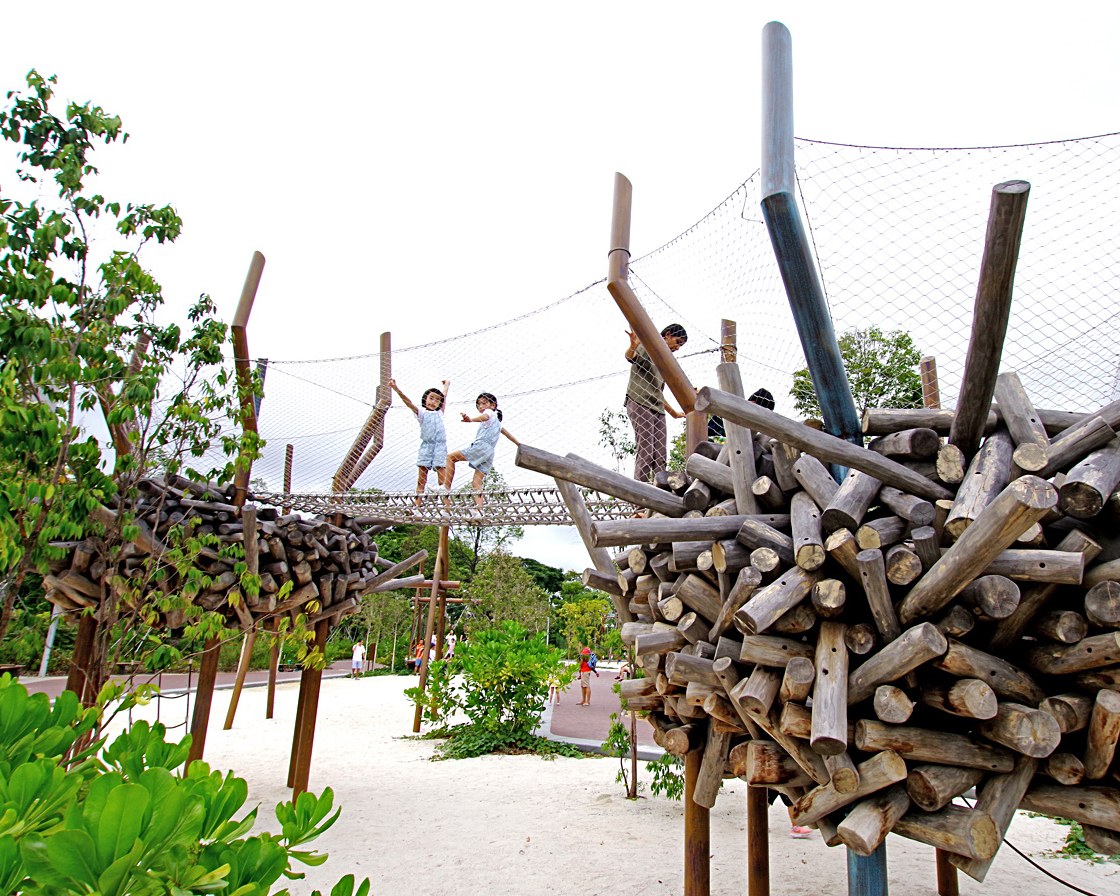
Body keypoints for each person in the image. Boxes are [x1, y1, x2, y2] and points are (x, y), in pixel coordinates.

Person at [624, 325, 687, 483]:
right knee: (646, 452)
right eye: (677, 342)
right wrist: (633, 345)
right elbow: (630, 357)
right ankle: (640, 500)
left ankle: (660, 495)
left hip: (657, 408)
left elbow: (659, 392)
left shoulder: (664, 362)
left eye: (681, 345)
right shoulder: (648, 346)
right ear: (667, 335)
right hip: (639, 401)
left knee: (660, 456)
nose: (678, 348)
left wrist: (673, 413)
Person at [441, 392, 519, 516]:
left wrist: (470, 419)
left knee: (450, 457)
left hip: (481, 446)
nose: (480, 407)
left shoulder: (490, 413)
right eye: (478, 405)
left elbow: (485, 417)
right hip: (489, 453)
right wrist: (519, 444)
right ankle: (479, 510)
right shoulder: (498, 425)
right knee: (476, 483)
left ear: (493, 405)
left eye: (484, 403)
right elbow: (507, 434)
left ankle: (446, 487)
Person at [389, 377, 450, 508]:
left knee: (442, 480)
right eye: (431, 398)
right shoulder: (421, 413)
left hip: (440, 447)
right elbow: (408, 402)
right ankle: (417, 505)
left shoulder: (440, 413)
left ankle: (445, 506)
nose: (434, 402)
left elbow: (444, 395)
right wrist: (396, 388)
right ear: (425, 399)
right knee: (421, 479)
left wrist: (447, 385)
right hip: (426, 446)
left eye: (437, 400)